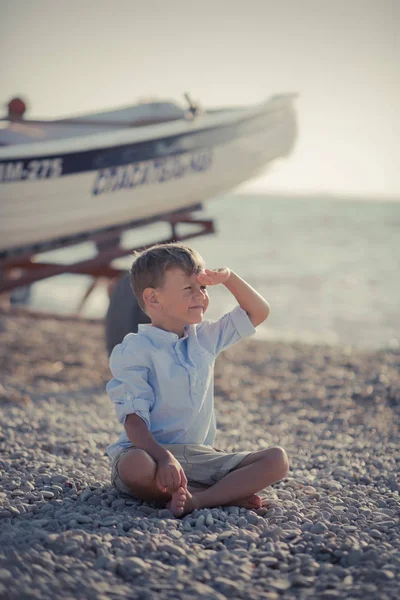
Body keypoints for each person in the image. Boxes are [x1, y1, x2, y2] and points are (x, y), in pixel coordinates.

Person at [105, 242, 289, 517]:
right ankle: (221, 495)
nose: (200, 296)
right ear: (154, 299)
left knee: (277, 460)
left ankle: (198, 499)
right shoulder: (135, 350)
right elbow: (133, 419)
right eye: (188, 289)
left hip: (200, 457)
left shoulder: (204, 338)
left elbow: (258, 312)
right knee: (134, 467)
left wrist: (228, 279)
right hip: (150, 455)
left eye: (202, 287)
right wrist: (163, 458)